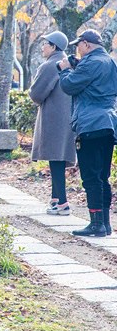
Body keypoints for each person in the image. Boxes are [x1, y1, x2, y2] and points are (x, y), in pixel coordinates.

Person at [58, 29, 117, 236]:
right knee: (102, 176)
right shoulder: (111, 62)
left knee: (91, 177)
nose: (77, 49)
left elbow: (69, 85)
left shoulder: (90, 62)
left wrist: (65, 69)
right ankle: (105, 223)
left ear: (86, 44)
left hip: (90, 124)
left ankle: (95, 224)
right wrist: (77, 66)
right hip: (108, 124)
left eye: (78, 45)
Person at [29, 31, 76, 216]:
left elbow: (36, 94)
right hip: (67, 118)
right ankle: (56, 198)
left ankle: (63, 203)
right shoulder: (67, 63)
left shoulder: (49, 65)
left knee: (55, 159)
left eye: (45, 44)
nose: (43, 47)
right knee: (58, 159)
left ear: (54, 46)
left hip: (53, 118)